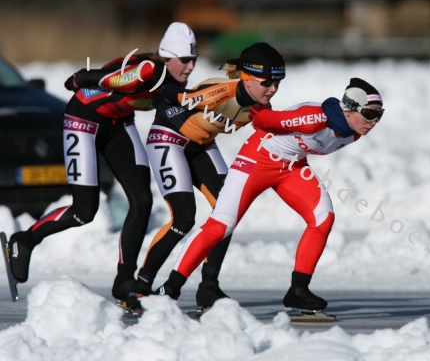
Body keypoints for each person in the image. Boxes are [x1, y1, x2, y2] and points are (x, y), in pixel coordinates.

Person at [151, 77, 384, 312]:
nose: (374, 122)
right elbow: (262, 119)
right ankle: (170, 288)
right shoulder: (315, 118)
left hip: (292, 167)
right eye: (369, 113)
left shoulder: (354, 130)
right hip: (258, 160)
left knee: (323, 218)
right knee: (221, 224)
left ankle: (298, 291)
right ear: (349, 108)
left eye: (379, 115)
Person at [7, 22, 198, 302]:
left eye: (193, 60)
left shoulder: (175, 77)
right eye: (185, 60)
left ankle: (124, 280)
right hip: (83, 118)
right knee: (85, 211)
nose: (190, 67)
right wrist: (83, 78)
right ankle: (26, 239)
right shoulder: (151, 69)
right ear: (168, 57)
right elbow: (114, 80)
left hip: (118, 124)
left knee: (142, 201)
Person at [125, 42, 286, 310]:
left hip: (202, 145)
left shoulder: (261, 107)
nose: (273, 88)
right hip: (169, 139)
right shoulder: (221, 92)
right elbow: (167, 93)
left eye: (278, 82)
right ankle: (141, 285)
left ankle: (208, 287)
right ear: (246, 77)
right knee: (184, 217)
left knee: (227, 213)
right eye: (267, 81)